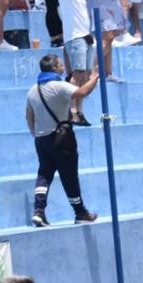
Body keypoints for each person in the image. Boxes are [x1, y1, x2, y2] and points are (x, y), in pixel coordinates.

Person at [27, 54, 101, 226]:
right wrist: (95, 77)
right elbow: (82, 92)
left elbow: (29, 116)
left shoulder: (32, 90)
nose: (62, 66)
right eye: (60, 64)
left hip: (41, 139)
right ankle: (80, 212)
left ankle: (39, 211)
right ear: (54, 68)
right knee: (69, 175)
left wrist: (36, 134)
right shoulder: (59, 86)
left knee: (44, 174)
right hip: (61, 138)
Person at [54, 0, 95, 127]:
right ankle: (70, 110)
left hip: (85, 36)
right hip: (75, 37)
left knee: (85, 75)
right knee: (77, 74)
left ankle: (80, 110)